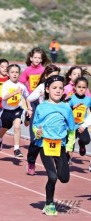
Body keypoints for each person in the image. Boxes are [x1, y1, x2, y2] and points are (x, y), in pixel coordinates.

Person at [32, 75, 75, 216]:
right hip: (44, 145)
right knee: (52, 177)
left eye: (60, 88)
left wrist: (69, 147)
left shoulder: (66, 108)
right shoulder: (41, 107)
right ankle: (49, 204)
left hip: (60, 146)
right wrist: (37, 132)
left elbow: (71, 129)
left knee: (64, 178)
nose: (58, 90)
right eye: (54, 88)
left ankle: (50, 201)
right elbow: (34, 125)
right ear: (47, 89)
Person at [26, 64, 61, 175]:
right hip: (42, 119)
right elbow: (29, 98)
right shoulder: (42, 87)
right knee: (36, 142)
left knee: (56, 140)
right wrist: (31, 107)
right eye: (52, 77)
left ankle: (58, 164)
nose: (54, 80)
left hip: (54, 119)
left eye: (57, 76)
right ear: (46, 76)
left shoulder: (59, 87)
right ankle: (31, 162)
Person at [0, 64, 32, 157]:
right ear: (8, 74)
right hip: (6, 111)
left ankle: (16, 149)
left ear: (19, 74)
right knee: (4, 129)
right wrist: (14, 92)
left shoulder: (22, 86)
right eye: (12, 72)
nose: (14, 74)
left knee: (17, 127)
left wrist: (29, 108)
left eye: (16, 72)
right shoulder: (6, 85)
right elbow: (4, 98)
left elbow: (27, 97)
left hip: (17, 110)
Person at [19, 47, 49, 142]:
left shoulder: (44, 70)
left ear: (41, 59)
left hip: (42, 98)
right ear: (31, 58)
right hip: (31, 99)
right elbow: (21, 83)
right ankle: (33, 139)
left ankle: (42, 136)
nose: (37, 60)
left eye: (39, 58)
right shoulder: (27, 71)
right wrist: (23, 93)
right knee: (33, 119)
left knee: (41, 118)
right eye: (35, 57)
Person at [68, 77, 91, 158]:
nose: (81, 89)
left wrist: (85, 124)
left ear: (86, 88)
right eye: (79, 87)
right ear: (75, 87)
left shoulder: (88, 100)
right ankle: (67, 162)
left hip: (82, 125)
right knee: (70, 145)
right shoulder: (71, 98)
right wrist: (72, 108)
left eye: (84, 87)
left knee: (86, 140)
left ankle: (81, 144)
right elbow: (65, 110)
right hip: (71, 126)